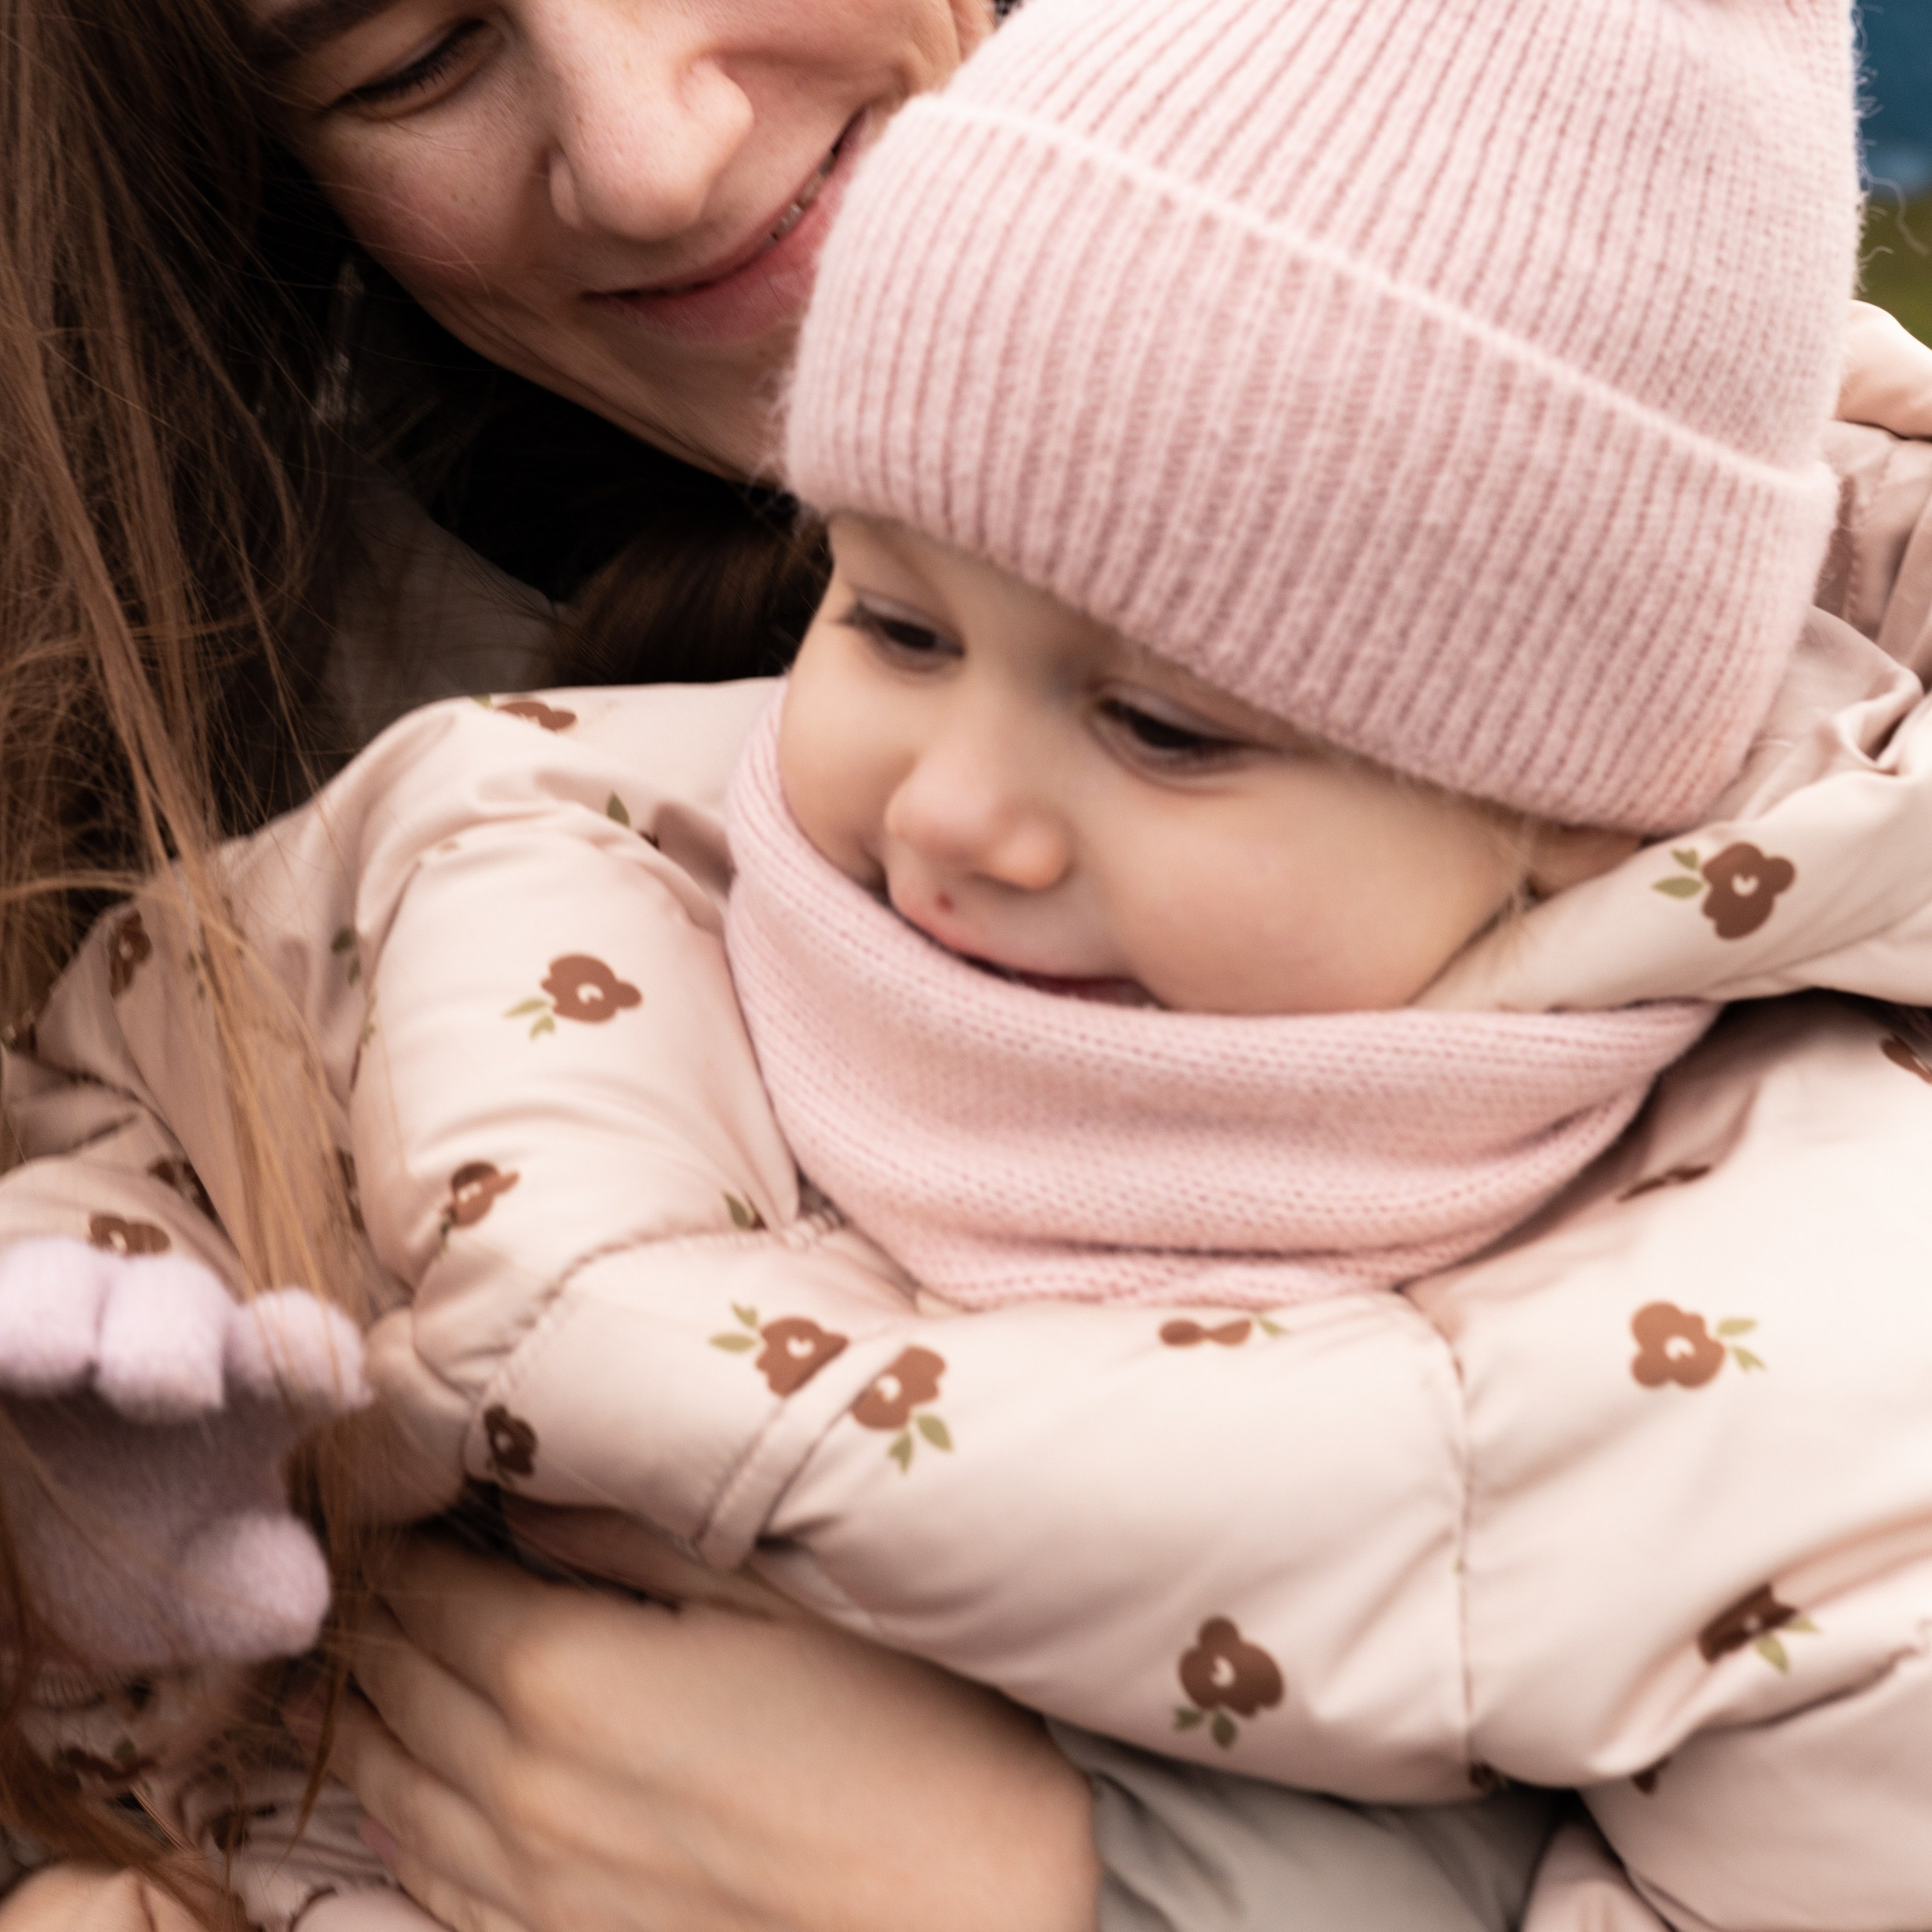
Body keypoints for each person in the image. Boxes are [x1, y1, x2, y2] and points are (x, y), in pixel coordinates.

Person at [21, 0, 1932, 1924]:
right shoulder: (551, 830)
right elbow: (147, 1054)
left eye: (1168, 730)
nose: (946, 815)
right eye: (896, 624)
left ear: (1580, 805)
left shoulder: (1784, 1309)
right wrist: (105, 1381)